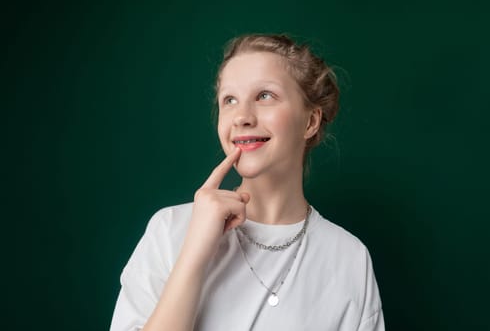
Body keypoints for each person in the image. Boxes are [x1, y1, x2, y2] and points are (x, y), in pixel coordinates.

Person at [110, 34, 385, 331]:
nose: (241, 116)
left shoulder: (349, 258)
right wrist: (195, 251)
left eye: (265, 95)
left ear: (310, 122)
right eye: (229, 100)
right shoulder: (170, 229)